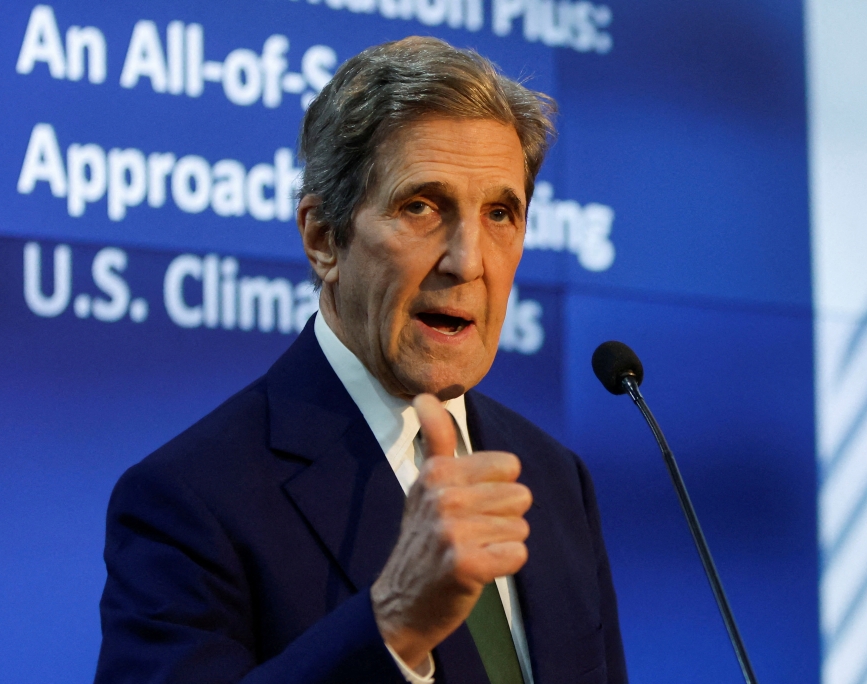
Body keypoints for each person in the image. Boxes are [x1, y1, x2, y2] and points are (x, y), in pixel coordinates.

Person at [94, 36, 626, 684]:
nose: (468, 261)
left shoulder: (554, 479)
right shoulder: (190, 499)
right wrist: (394, 622)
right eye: (420, 206)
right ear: (323, 239)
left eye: (499, 213)